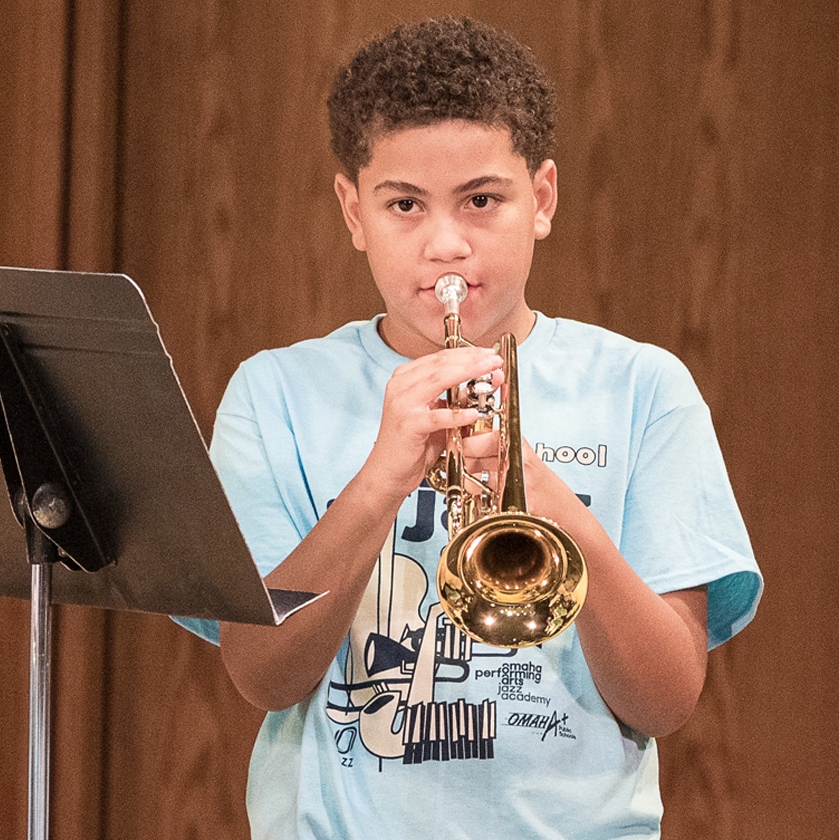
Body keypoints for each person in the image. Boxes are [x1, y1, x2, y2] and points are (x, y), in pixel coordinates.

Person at [175, 17, 762, 840]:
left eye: (482, 200)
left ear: (543, 199)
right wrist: (381, 480)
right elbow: (262, 676)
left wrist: (545, 498)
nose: (445, 244)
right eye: (404, 205)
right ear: (353, 212)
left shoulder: (643, 387)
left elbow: (666, 701)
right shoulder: (275, 394)